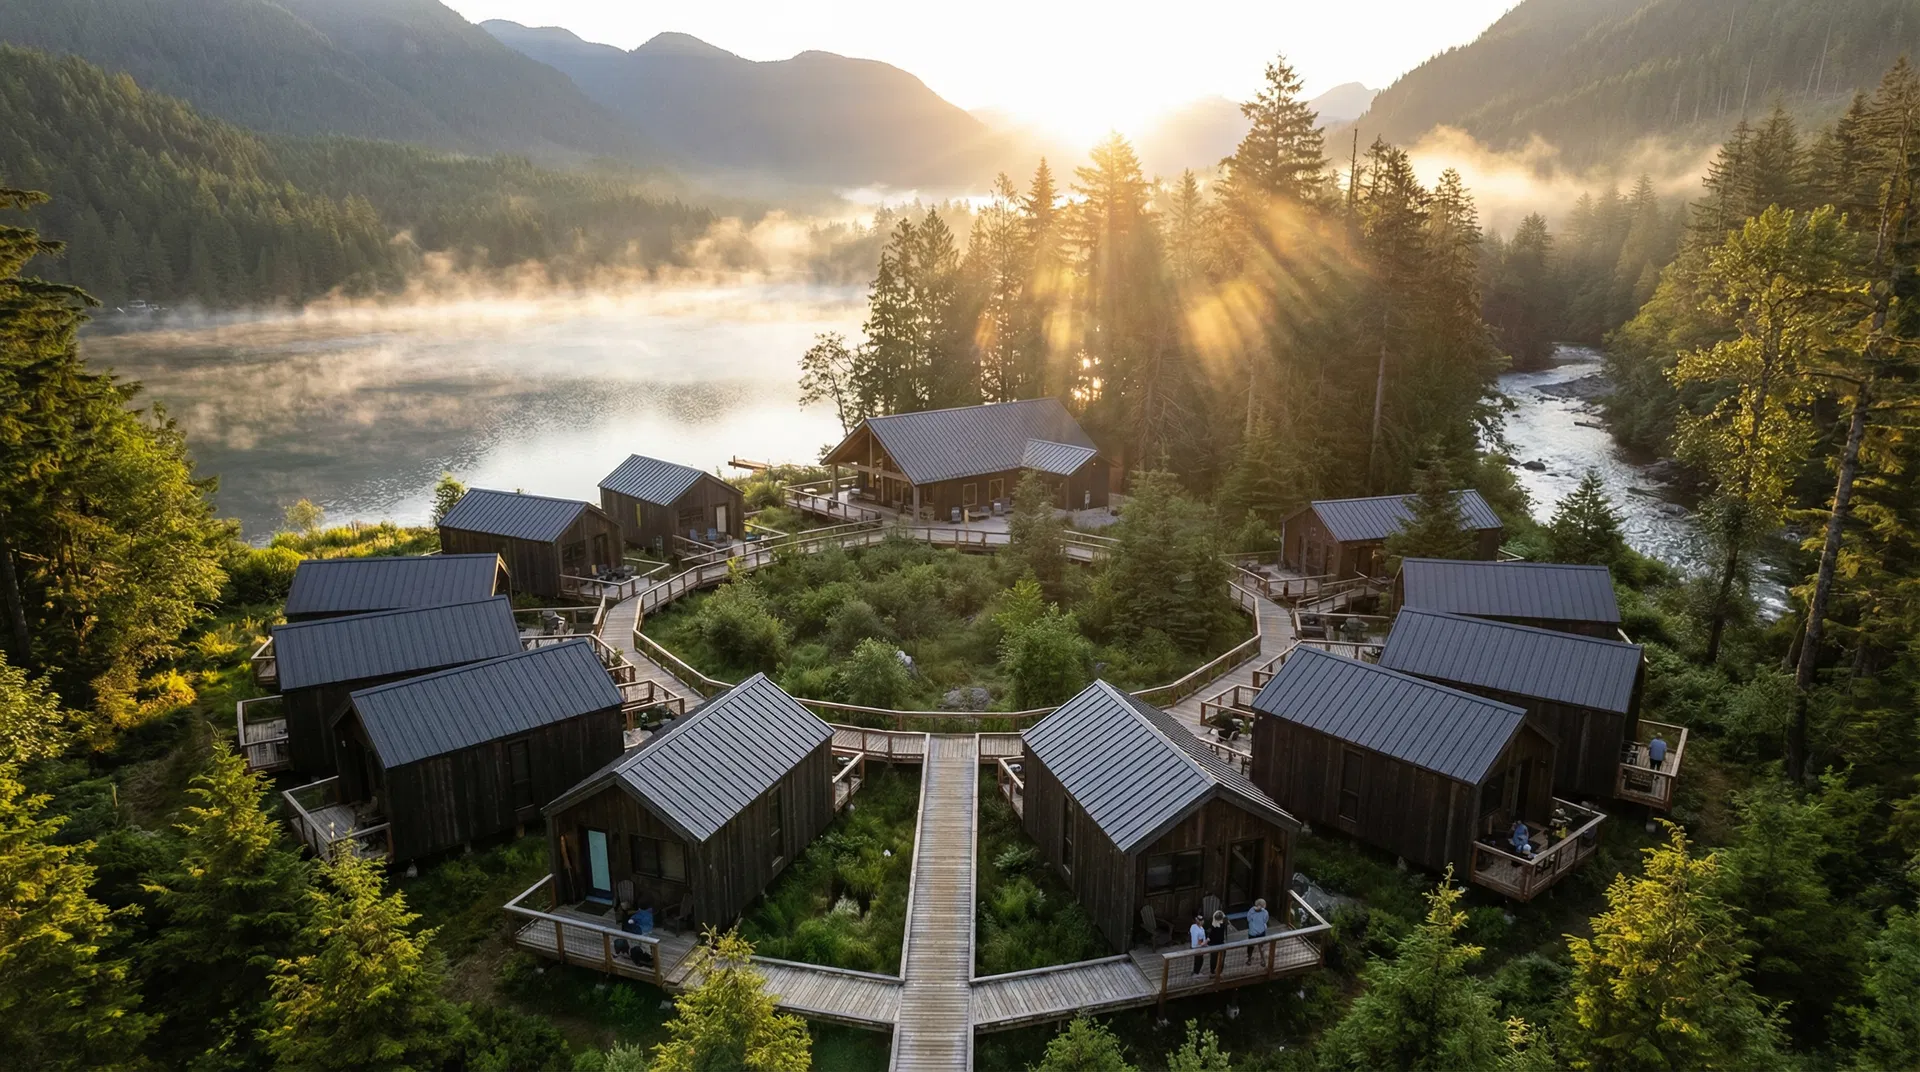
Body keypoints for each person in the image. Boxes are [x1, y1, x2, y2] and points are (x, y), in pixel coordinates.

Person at [1244, 898, 1269, 965]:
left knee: (1250, 946)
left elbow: (1248, 919)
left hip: (1252, 932)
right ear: (1264, 905)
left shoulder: (1251, 911)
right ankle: (1263, 960)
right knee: (1261, 946)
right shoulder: (1265, 912)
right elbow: (1265, 921)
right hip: (1261, 931)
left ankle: (1249, 960)